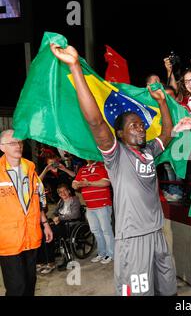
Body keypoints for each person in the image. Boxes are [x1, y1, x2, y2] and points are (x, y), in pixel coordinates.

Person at [50, 43, 177, 296]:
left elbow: (167, 132)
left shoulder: (149, 150)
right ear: (119, 133)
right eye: (133, 126)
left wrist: (162, 102)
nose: (140, 128)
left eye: (141, 125)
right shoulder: (116, 154)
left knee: (167, 291)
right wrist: (75, 67)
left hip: (157, 235)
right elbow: (96, 122)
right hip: (133, 240)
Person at [0, 129, 53, 296]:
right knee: (17, 288)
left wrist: (45, 224)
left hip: (31, 235)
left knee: (30, 284)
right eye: (13, 143)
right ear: (2, 147)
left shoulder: (30, 168)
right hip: (9, 240)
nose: (18, 145)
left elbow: (36, 199)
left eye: (20, 142)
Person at [72, 160, 115, 264]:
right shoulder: (82, 169)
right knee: (95, 230)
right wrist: (78, 185)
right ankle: (101, 253)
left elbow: (106, 182)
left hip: (102, 205)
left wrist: (88, 183)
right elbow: (74, 184)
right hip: (90, 206)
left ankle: (111, 254)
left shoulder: (102, 166)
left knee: (106, 230)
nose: (87, 157)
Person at [51, 183, 82, 270]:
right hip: (61, 223)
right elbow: (54, 213)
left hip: (72, 224)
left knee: (57, 231)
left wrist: (59, 218)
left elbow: (75, 215)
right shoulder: (60, 202)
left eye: (64, 191)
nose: (62, 193)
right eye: (60, 192)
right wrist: (54, 218)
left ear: (68, 191)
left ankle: (68, 259)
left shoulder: (74, 199)